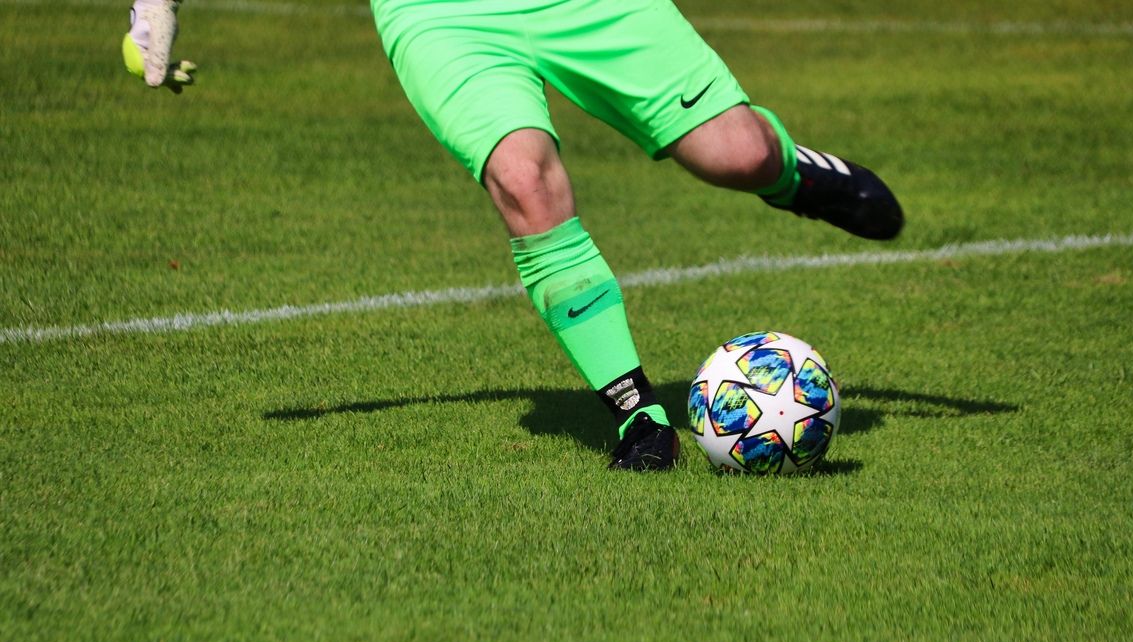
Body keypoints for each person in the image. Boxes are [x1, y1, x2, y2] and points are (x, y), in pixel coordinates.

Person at [123, 0, 904, 471]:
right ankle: (639, 416)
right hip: (439, 15)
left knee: (736, 153)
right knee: (523, 178)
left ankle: (790, 173)